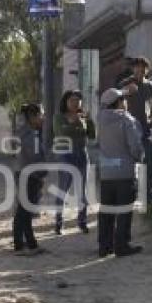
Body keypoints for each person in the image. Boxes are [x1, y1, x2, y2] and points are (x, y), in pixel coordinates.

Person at [97, 88, 144, 258]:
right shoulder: (127, 119)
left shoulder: (100, 119)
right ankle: (122, 245)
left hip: (106, 172)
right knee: (124, 210)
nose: (126, 101)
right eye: (123, 99)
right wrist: (139, 157)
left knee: (106, 210)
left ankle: (104, 246)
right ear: (117, 102)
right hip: (124, 172)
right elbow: (135, 146)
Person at [53, 90, 95, 235]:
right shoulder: (59, 118)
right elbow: (62, 133)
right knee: (63, 190)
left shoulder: (83, 117)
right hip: (65, 156)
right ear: (65, 101)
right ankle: (58, 223)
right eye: (72, 100)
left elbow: (92, 135)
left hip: (82, 155)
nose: (75, 103)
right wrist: (75, 123)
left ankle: (82, 222)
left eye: (78, 100)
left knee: (82, 192)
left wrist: (88, 120)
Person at [118, 56, 152, 203]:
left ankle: (148, 195)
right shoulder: (125, 83)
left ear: (146, 70)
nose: (140, 70)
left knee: (150, 165)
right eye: (137, 67)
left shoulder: (149, 85)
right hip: (129, 130)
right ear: (133, 68)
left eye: (143, 67)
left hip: (145, 129)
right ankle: (130, 194)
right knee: (130, 165)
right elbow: (116, 102)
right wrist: (125, 92)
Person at [13, 103, 47, 255]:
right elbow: (34, 157)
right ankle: (20, 245)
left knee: (25, 211)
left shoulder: (28, 132)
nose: (43, 118)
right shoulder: (29, 135)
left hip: (26, 174)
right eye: (41, 115)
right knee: (24, 211)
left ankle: (30, 243)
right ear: (33, 117)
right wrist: (43, 169)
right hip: (29, 175)